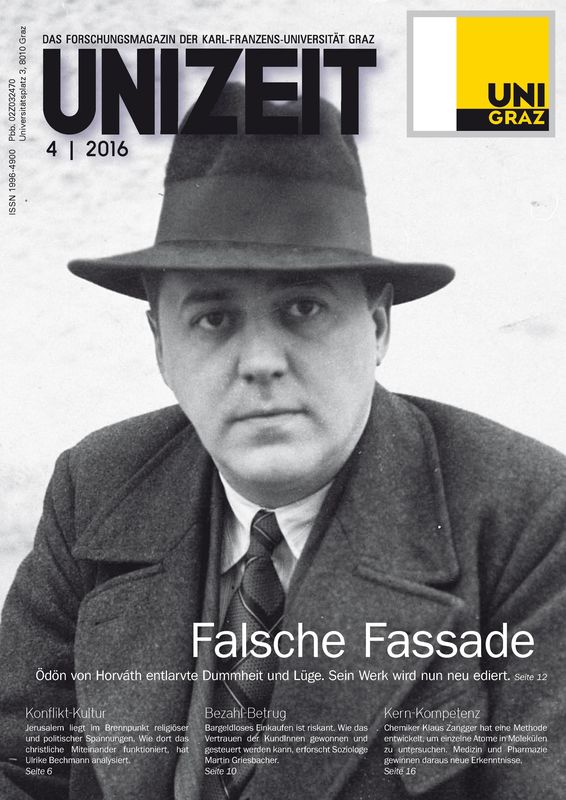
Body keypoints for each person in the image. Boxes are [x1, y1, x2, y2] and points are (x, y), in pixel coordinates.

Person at [1, 83, 565, 800]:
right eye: (213, 319)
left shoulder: (529, 521)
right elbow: (17, 766)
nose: (260, 361)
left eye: (303, 307)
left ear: (378, 327)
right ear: (160, 347)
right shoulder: (96, 488)